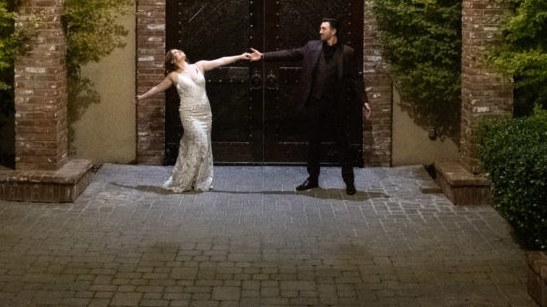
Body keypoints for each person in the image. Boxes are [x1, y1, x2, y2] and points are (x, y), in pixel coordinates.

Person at [248, 18, 371, 194]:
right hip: (315, 105)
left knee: (343, 144)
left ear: (334, 31)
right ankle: (313, 178)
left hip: (336, 107)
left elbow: (355, 79)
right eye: (320, 28)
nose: (320, 31)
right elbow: (290, 54)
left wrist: (364, 101)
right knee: (313, 143)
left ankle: (349, 181)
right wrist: (263, 56)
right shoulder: (312, 47)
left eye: (324, 28)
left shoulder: (347, 52)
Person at [136, 48, 249, 192]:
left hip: (205, 113)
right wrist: (142, 97)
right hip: (189, 115)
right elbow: (157, 88)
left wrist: (240, 56)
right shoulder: (173, 76)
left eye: (178, 50)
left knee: (203, 146)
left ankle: (199, 180)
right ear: (172, 60)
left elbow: (219, 61)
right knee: (200, 142)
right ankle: (184, 180)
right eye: (175, 52)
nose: (179, 51)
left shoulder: (199, 66)